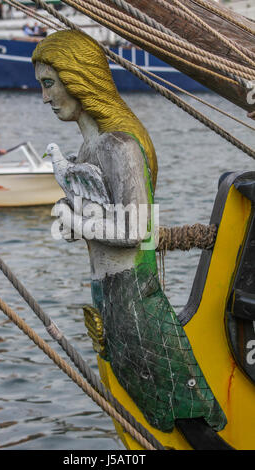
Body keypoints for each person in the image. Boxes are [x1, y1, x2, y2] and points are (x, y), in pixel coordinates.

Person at [32, 30, 227, 434]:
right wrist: (78, 226)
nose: (45, 98)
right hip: (110, 298)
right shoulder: (88, 152)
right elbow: (105, 226)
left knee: (182, 411)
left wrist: (78, 222)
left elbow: (136, 229)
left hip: (135, 299)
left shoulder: (119, 146)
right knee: (152, 408)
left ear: (78, 77)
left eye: (49, 83)